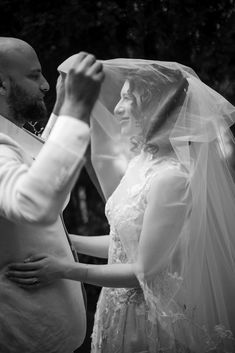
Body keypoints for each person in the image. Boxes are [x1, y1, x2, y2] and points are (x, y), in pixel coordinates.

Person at [7, 58, 235, 353]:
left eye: (127, 98)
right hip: (115, 309)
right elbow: (123, 244)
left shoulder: (171, 178)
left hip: (149, 322)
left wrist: (64, 268)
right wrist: (68, 242)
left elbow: (142, 272)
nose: (116, 108)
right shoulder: (142, 163)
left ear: (155, 106)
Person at [0, 37, 104, 353]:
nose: (45, 85)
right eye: (34, 76)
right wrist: (75, 111)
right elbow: (34, 203)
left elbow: (41, 168)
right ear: (2, 86)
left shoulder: (10, 138)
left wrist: (61, 108)